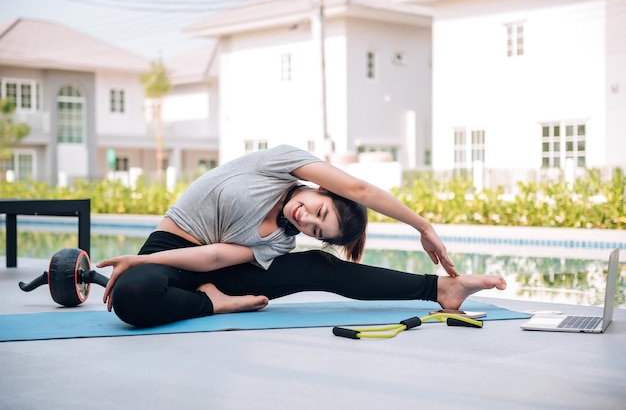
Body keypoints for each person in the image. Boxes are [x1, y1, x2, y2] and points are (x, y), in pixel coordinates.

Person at [98, 145, 506, 328]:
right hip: (171, 245)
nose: (307, 218)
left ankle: (441, 289)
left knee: (319, 265)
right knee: (131, 297)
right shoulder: (278, 164)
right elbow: (362, 191)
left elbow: (216, 259)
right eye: (320, 210)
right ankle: (214, 303)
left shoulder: (280, 240)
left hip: (212, 268)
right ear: (323, 189)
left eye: (315, 229)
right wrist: (423, 227)